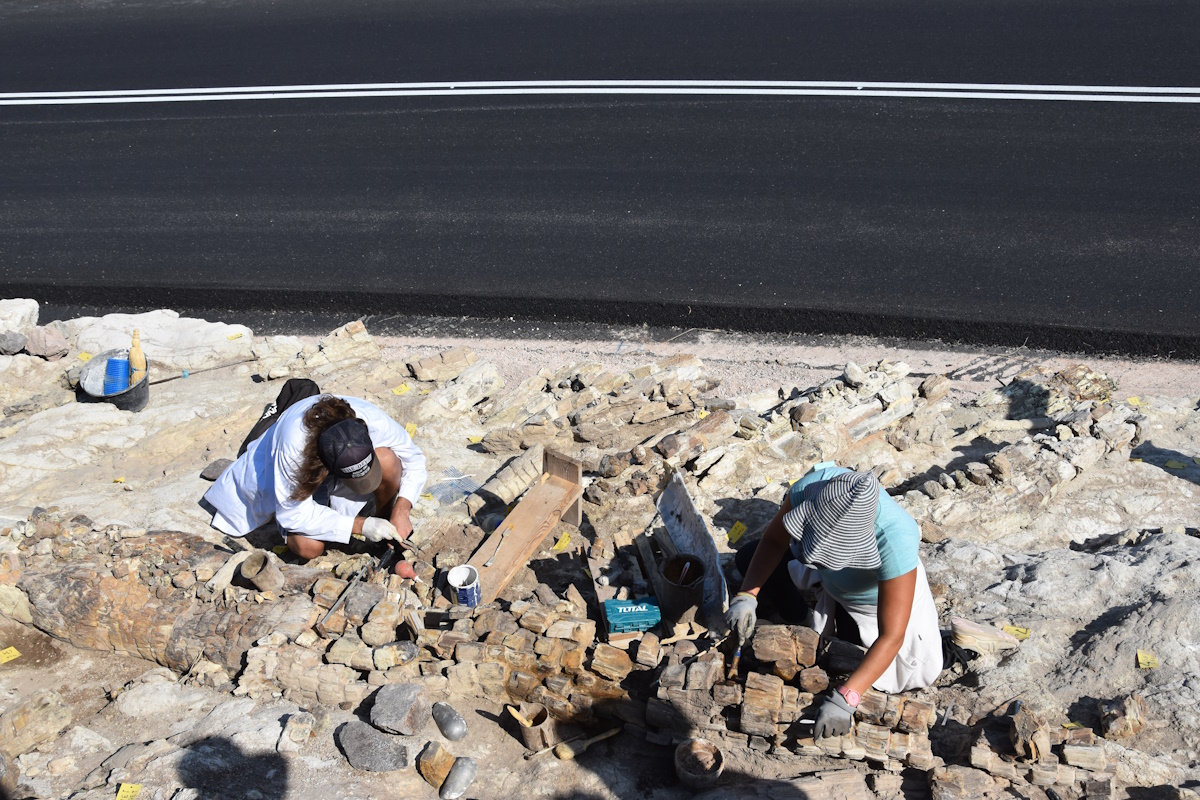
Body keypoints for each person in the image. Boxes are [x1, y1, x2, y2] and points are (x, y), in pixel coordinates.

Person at [726, 461, 953, 741]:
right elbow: (773, 541)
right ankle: (799, 619)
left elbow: (892, 636)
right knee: (748, 558)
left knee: (869, 667)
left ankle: (952, 644)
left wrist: (847, 697)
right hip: (831, 583)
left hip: (872, 602)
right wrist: (747, 597)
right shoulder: (812, 488)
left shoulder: (895, 539)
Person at [204, 394, 427, 562]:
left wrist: (402, 509)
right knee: (308, 547)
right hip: (305, 474)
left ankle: (385, 520)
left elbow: (414, 459)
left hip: (334, 465)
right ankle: (267, 425)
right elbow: (292, 514)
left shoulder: (372, 420)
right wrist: (361, 525)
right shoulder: (293, 451)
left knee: (388, 460)